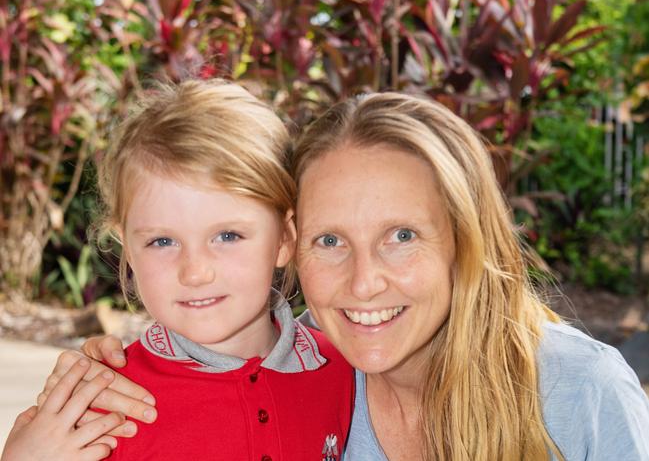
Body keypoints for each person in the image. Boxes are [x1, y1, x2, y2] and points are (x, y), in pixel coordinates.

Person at [17, 92, 649, 460]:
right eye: (332, 240)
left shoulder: (577, 392)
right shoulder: (335, 372)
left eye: (402, 236)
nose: (365, 282)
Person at [1, 79, 354, 461]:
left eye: (228, 235)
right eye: (163, 242)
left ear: (285, 238)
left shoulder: (345, 369)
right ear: (128, 248)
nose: (195, 272)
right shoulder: (103, 405)